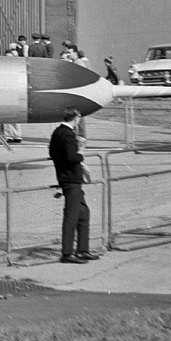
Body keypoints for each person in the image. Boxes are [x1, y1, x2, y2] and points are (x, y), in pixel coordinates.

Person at [48, 106, 99, 264]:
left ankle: (82, 249)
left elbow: (52, 153)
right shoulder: (68, 134)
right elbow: (72, 157)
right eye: (78, 117)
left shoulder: (58, 132)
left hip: (66, 178)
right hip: (71, 179)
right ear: (75, 117)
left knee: (83, 213)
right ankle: (67, 253)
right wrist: (80, 153)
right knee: (72, 216)